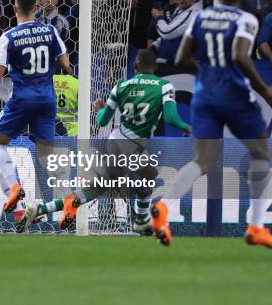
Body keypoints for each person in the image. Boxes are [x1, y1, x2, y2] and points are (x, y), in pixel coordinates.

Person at [151, 0, 272, 248]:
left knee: (203, 159)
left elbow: (182, 58)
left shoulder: (201, 17)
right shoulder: (245, 19)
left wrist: (205, 75)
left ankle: (164, 206)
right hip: (234, 94)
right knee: (261, 152)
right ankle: (257, 227)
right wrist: (263, 86)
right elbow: (239, 55)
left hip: (206, 95)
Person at [20, 50, 190, 233]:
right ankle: (141, 220)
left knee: (94, 190)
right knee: (149, 174)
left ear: (135, 67)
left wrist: (101, 109)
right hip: (131, 145)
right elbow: (172, 118)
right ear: (155, 68)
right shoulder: (164, 86)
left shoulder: (122, 85)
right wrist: (187, 127)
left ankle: (38, 209)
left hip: (115, 142)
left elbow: (101, 121)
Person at [0, 0, 72, 222]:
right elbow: (65, 63)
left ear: (14, 8)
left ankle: (13, 188)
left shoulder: (8, 36)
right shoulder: (50, 30)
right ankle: (68, 200)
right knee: (47, 158)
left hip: (22, 99)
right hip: (46, 99)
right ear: (36, 8)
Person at [150, 0, 202, 65]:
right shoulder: (181, 10)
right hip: (171, 63)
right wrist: (155, 46)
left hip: (182, 67)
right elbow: (171, 30)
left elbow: (167, 33)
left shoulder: (193, 14)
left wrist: (158, 17)